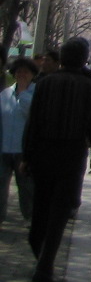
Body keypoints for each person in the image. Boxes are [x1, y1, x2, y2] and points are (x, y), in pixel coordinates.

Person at [22, 37, 91, 282]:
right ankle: (45, 267)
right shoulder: (89, 86)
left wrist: (26, 155)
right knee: (59, 213)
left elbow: (32, 122)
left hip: (42, 152)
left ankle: (39, 254)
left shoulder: (46, 83)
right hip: (71, 154)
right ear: (83, 59)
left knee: (41, 207)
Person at [0, 57, 37, 230]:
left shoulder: (36, 92)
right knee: (1, 185)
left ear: (32, 75)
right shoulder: (5, 94)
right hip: (4, 148)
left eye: (26, 72)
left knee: (26, 187)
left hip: (24, 150)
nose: (21, 75)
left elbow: (30, 114)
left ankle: (29, 218)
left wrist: (23, 92)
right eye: (18, 72)